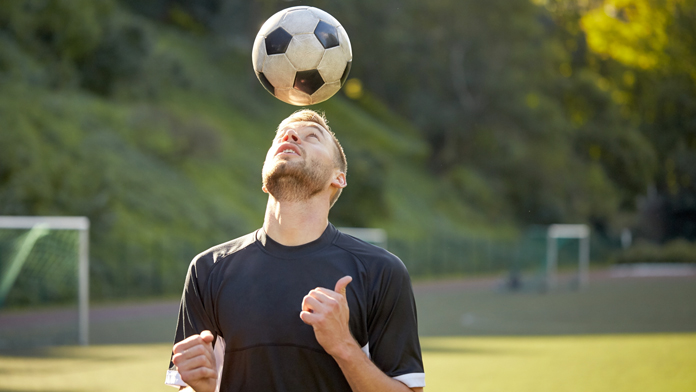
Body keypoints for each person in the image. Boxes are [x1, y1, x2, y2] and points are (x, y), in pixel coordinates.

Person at [165, 110, 425, 392]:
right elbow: (188, 389)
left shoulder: (382, 272)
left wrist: (344, 347)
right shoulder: (208, 270)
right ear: (265, 180)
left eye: (312, 136)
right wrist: (200, 389)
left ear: (338, 179)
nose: (290, 136)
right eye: (282, 136)